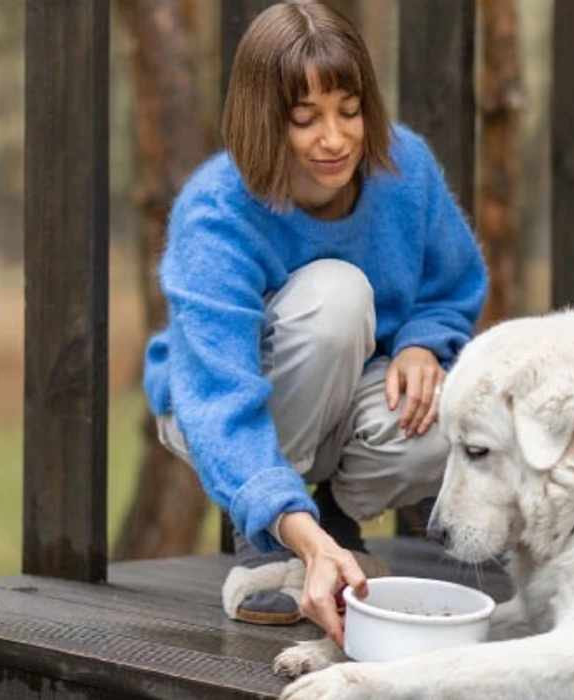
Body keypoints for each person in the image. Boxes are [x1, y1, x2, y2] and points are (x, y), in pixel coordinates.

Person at [141, 0, 488, 646]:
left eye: (349, 111)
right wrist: (286, 523)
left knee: (450, 423)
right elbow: (219, 396)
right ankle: (269, 534)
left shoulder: (404, 170)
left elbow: (451, 288)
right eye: (305, 120)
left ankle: (332, 521)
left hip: (348, 390)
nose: (334, 139)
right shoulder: (215, 213)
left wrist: (423, 345)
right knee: (338, 296)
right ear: (265, 121)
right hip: (217, 405)